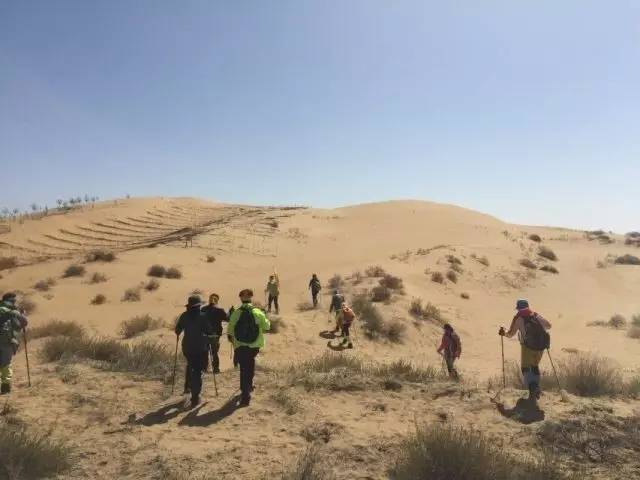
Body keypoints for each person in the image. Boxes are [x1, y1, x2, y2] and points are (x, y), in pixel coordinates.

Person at [499, 299, 551, 403]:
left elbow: (510, 334)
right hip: (540, 347)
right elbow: (549, 325)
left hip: (527, 347)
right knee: (534, 367)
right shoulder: (535, 315)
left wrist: (503, 332)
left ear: (518, 308)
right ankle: (535, 390)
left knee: (526, 369)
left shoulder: (518, 318)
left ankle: (533, 390)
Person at [227, 289, 270, 407]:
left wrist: (232, 340)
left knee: (243, 368)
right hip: (254, 345)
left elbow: (230, 330)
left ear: (241, 298)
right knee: (250, 365)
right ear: (251, 297)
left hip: (240, 346)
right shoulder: (257, 312)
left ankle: (245, 391)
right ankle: (248, 387)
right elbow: (267, 326)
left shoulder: (236, 313)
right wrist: (264, 316)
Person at [175, 295, 214, 407]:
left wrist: (180, 332)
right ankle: (195, 397)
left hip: (187, 347)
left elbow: (177, 330)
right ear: (198, 306)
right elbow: (209, 331)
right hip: (201, 347)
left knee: (191, 365)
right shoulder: (203, 316)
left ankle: (188, 388)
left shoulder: (184, 316)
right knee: (198, 370)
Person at [0, 292, 29, 395]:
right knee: (5, 364)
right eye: (14, 300)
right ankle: (5, 387)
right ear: (11, 300)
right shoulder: (12, 311)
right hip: (6, 342)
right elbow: (24, 323)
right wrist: (22, 314)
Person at [201, 293, 228, 374]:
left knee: (205, 352)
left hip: (205, 335)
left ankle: (204, 368)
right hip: (214, 335)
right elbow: (228, 319)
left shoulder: (203, 309)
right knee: (214, 353)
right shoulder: (220, 310)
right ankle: (215, 369)